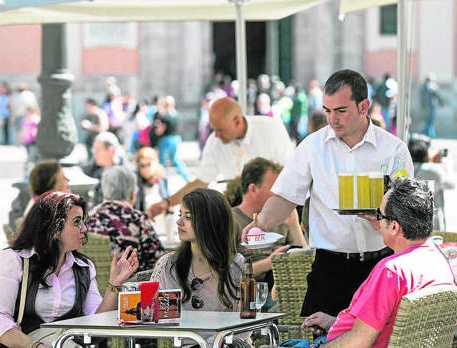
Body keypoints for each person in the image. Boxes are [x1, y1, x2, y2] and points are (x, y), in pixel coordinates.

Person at [243, 69, 414, 318]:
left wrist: (387, 221)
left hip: (381, 265)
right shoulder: (312, 147)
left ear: (363, 106)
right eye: (327, 110)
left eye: (341, 110)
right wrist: (260, 223)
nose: (332, 118)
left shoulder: (394, 150)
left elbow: (409, 211)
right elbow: (285, 197)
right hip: (329, 267)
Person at [299, 177, 455, 347]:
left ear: (394, 226)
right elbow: (386, 324)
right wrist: (335, 323)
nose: (376, 221)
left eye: (379, 215)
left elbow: (359, 341)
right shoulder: (438, 260)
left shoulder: (392, 272)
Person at [0, 191, 139, 348]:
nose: (85, 228)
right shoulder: (15, 260)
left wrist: (114, 285)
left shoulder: (83, 268)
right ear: (54, 229)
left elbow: (95, 324)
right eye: (77, 222)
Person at [148, 97, 294, 218]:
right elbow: (201, 181)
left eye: (220, 130)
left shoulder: (271, 129)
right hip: (239, 213)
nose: (216, 135)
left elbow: (288, 175)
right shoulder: (215, 141)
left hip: (277, 210)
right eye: (213, 129)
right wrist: (167, 202)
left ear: (237, 121)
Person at [149, 188, 245, 345]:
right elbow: (150, 317)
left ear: (210, 222)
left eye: (188, 217)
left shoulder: (235, 264)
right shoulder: (168, 265)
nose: (179, 222)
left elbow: (245, 323)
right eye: (180, 215)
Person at [230, 157, 307, 310]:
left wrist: (294, 227)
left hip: (285, 291)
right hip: (248, 295)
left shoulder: (283, 218)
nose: (281, 194)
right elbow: (224, 273)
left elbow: (307, 262)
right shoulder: (231, 220)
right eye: (276, 188)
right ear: (253, 189)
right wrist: (270, 263)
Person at [86, 165, 163, 272]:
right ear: (132, 194)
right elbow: (158, 260)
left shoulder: (87, 217)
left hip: (91, 285)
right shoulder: (138, 219)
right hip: (128, 286)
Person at [408, 136, 455, 231]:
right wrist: (445, 163)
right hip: (433, 223)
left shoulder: (406, 168)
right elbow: (451, 183)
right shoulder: (433, 170)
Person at [82, 131, 129, 207]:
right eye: (94, 149)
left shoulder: (128, 174)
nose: (94, 153)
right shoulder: (90, 171)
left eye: (98, 150)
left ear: (111, 150)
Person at [156, 95, 190, 183]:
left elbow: (160, 130)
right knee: (176, 159)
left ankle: (162, 182)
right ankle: (187, 177)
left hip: (166, 140)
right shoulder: (177, 115)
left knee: (162, 162)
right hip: (176, 139)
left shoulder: (164, 116)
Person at [419, 73, 443, 138]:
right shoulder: (432, 86)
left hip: (426, 106)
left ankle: (426, 133)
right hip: (432, 106)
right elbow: (437, 95)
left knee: (427, 120)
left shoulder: (423, 87)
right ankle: (430, 134)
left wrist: (422, 105)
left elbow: (421, 98)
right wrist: (442, 103)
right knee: (431, 120)